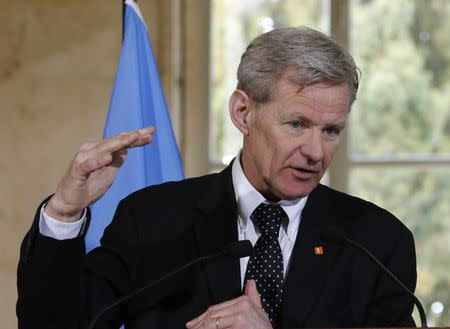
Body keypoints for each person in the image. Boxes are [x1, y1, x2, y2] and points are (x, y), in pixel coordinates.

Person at [17, 27, 417, 329]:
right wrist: (64, 212)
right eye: (297, 124)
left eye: (331, 131)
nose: (316, 152)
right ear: (243, 113)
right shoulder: (153, 219)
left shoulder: (376, 241)